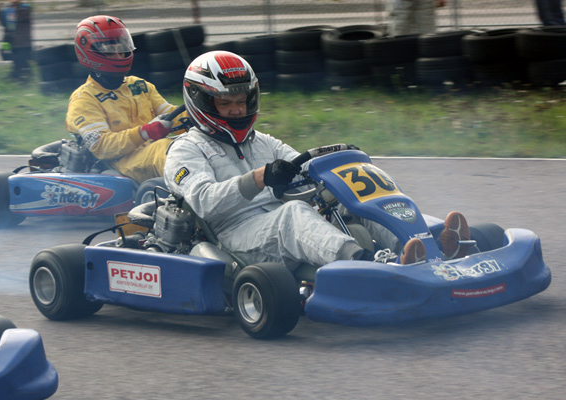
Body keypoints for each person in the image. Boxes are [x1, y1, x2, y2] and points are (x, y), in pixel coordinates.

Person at [163, 50, 471, 271]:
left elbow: (305, 167)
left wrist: (340, 167)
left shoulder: (263, 142)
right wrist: (259, 178)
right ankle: (373, 265)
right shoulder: (185, 150)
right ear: (202, 102)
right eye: (226, 103)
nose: (237, 110)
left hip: (275, 220)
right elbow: (204, 201)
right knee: (293, 214)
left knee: (346, 197)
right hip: (235, 235)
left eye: (241, 101)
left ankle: (427, 251)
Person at [66, 15, 187, 184]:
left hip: (151, 152)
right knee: (167, 149)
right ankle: (200, 193)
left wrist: (201, 116)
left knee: (195, 145)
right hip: (119, 162)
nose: (118, 55)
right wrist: (144, 132)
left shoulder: (139, 85)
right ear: (90, 53)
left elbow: (172, 115)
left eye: (122, 47)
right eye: (110, 50)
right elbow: (101, 145)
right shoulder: (84, 99)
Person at [0, 0, 32, 80]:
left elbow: (23, 17)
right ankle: (17, 75)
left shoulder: (25, 8)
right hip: (12, 40)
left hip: (22, 41)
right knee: (15, 59)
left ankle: (24, 76)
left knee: (23, 60)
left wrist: (14, 10)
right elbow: (4, 23)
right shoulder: (9, 9)